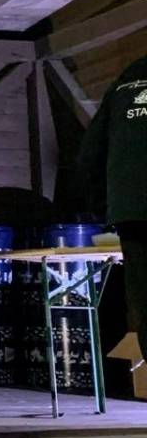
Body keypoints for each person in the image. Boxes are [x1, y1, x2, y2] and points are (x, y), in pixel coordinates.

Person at [78, 54, 147, 360]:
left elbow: (89, 154)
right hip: (129, 208)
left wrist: (107, 208)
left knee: (145, 303)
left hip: (131, 212)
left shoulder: (127, 79)